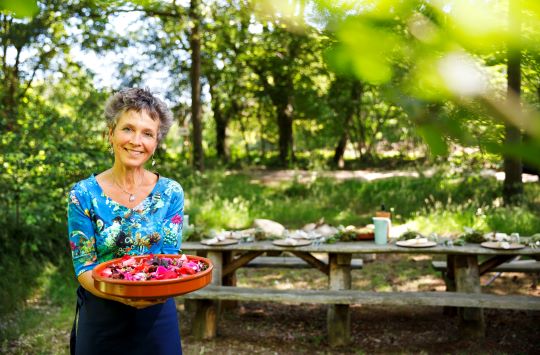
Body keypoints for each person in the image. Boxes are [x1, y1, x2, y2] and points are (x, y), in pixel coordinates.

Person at [67, 88, 183, 355]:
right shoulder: (83, 194)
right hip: (101, 312)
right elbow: (84, 264)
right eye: (128, 129)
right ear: (111, 133)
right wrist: (121, 294)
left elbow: (170, 256)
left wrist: (148, 295)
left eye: (147, 133)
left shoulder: (170, 192)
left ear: (156, 143)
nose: (136, 140)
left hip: (156, 312)